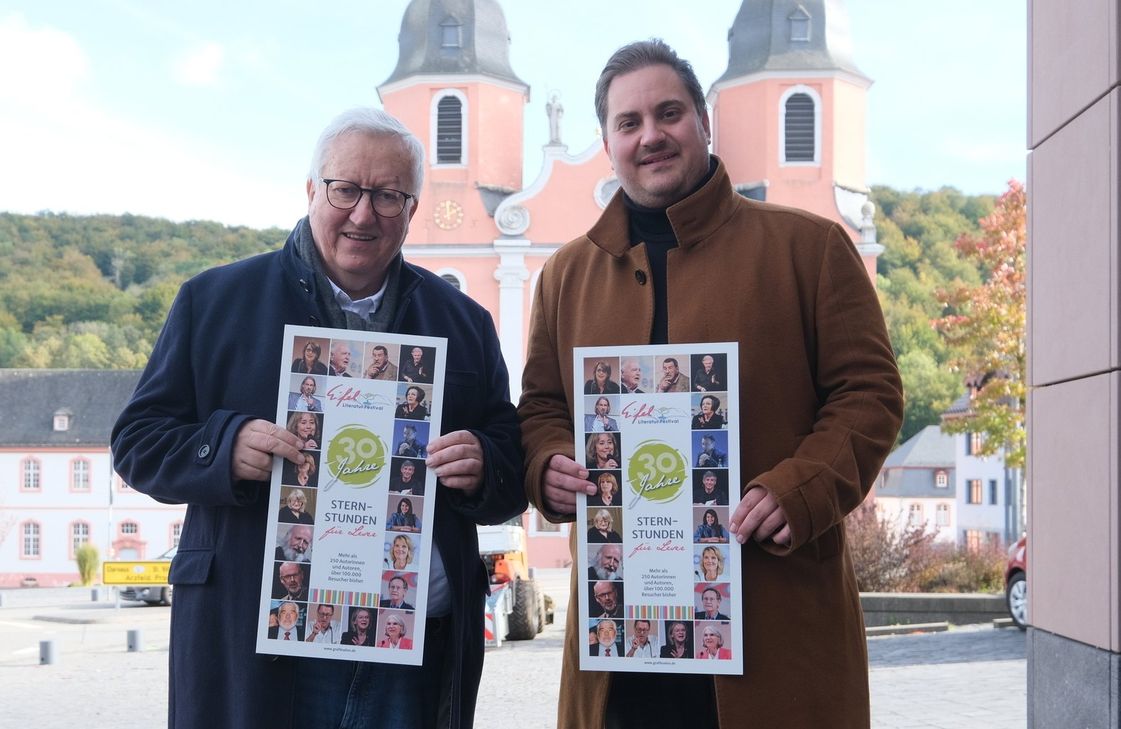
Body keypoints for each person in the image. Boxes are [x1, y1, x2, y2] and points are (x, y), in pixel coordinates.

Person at [517, 40, 902, 728]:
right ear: (607, 143)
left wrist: (799, 488)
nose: (650, 135)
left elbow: (868, 394)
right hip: (625, 643)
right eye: (628, 122)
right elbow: (542, 406)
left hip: (773, 623)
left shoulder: (808, 248)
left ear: (703, 121)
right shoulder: (564, 275)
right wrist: (546, 465)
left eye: (669, 113)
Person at [111, 106, 526, 729]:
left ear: (411, 210)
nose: (364, 213)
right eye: (346, 190)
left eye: (388, 196)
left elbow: (510, 456)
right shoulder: (216, 299)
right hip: (262, 647)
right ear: (311, 191)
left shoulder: (463, 323)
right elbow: (137, 443)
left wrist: (486, 463)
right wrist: (224, 447)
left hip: (411, 648)